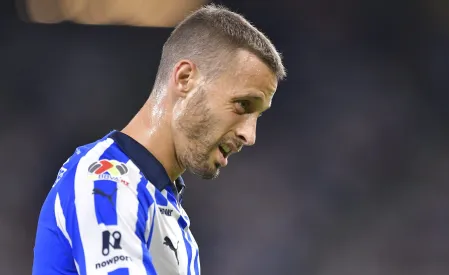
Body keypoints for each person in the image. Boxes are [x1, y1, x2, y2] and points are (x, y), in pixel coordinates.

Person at [32, 4, 286, 275]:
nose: (250, 135)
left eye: (257, 116)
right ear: (185, 78)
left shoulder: (165, 210)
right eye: (242, 104)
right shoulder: (107, 185)